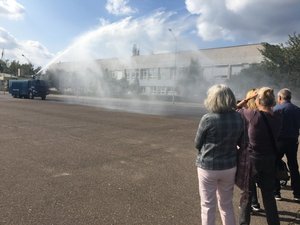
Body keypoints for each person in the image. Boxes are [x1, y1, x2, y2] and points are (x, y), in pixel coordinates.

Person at [195, 84, 244, 225]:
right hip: (229, 166)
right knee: (226, 204)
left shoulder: (208, 118)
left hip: (208, 166)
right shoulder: (238, 118)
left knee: (207, 205)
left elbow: (197, 143)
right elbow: (242, 142)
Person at [237, 87, 282, 225]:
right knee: (268, 196)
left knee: (247, 195)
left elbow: (232, 109)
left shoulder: (252, 115)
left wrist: (246, 99)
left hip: (252, 160)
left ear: (257, 100)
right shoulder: (278, 116)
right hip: (269, 159)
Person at [236, 89, 262, 213]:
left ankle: (249, 205)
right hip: (261, 151)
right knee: (255, 179)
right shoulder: (262, 114)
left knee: (247, 180)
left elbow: (230, 110)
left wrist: (244, 101)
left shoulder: (242, 113)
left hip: (246, 150)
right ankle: (255, 203)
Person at [273, 88, 300, 202]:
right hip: (292, 141)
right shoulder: (297, 109)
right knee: (294, 166)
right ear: (290, 97)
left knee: (274, 164)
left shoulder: (275, 109)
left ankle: (276, 192)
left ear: (279, 98)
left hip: (278, 141)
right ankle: (297, 193)